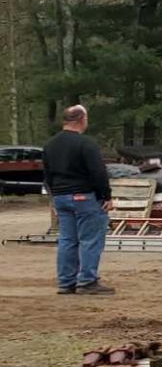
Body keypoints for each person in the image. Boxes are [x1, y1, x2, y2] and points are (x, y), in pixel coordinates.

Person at [43, 103, 113, 296]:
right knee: (90, 240)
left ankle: (66, 282)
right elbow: (98, 172)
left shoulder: (50, 144)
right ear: (82, 120)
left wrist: (54, 196)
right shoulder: (86, 143)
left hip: (61, 197)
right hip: (84, 196)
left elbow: (47, 175)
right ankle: (87, 281)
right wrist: (105, 195)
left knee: (67, 240)